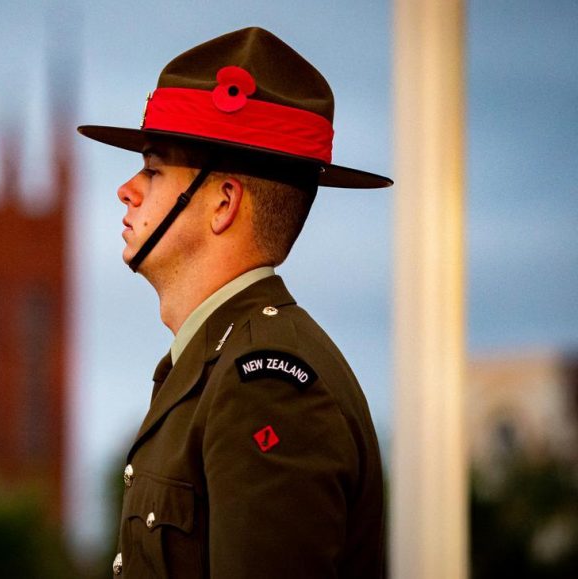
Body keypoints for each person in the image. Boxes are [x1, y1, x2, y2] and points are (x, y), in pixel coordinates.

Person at [78, 27, 390, 578]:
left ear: (223, 203)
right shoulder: (217, 362)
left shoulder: (267, 386)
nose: (127, 189)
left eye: (153, 170)